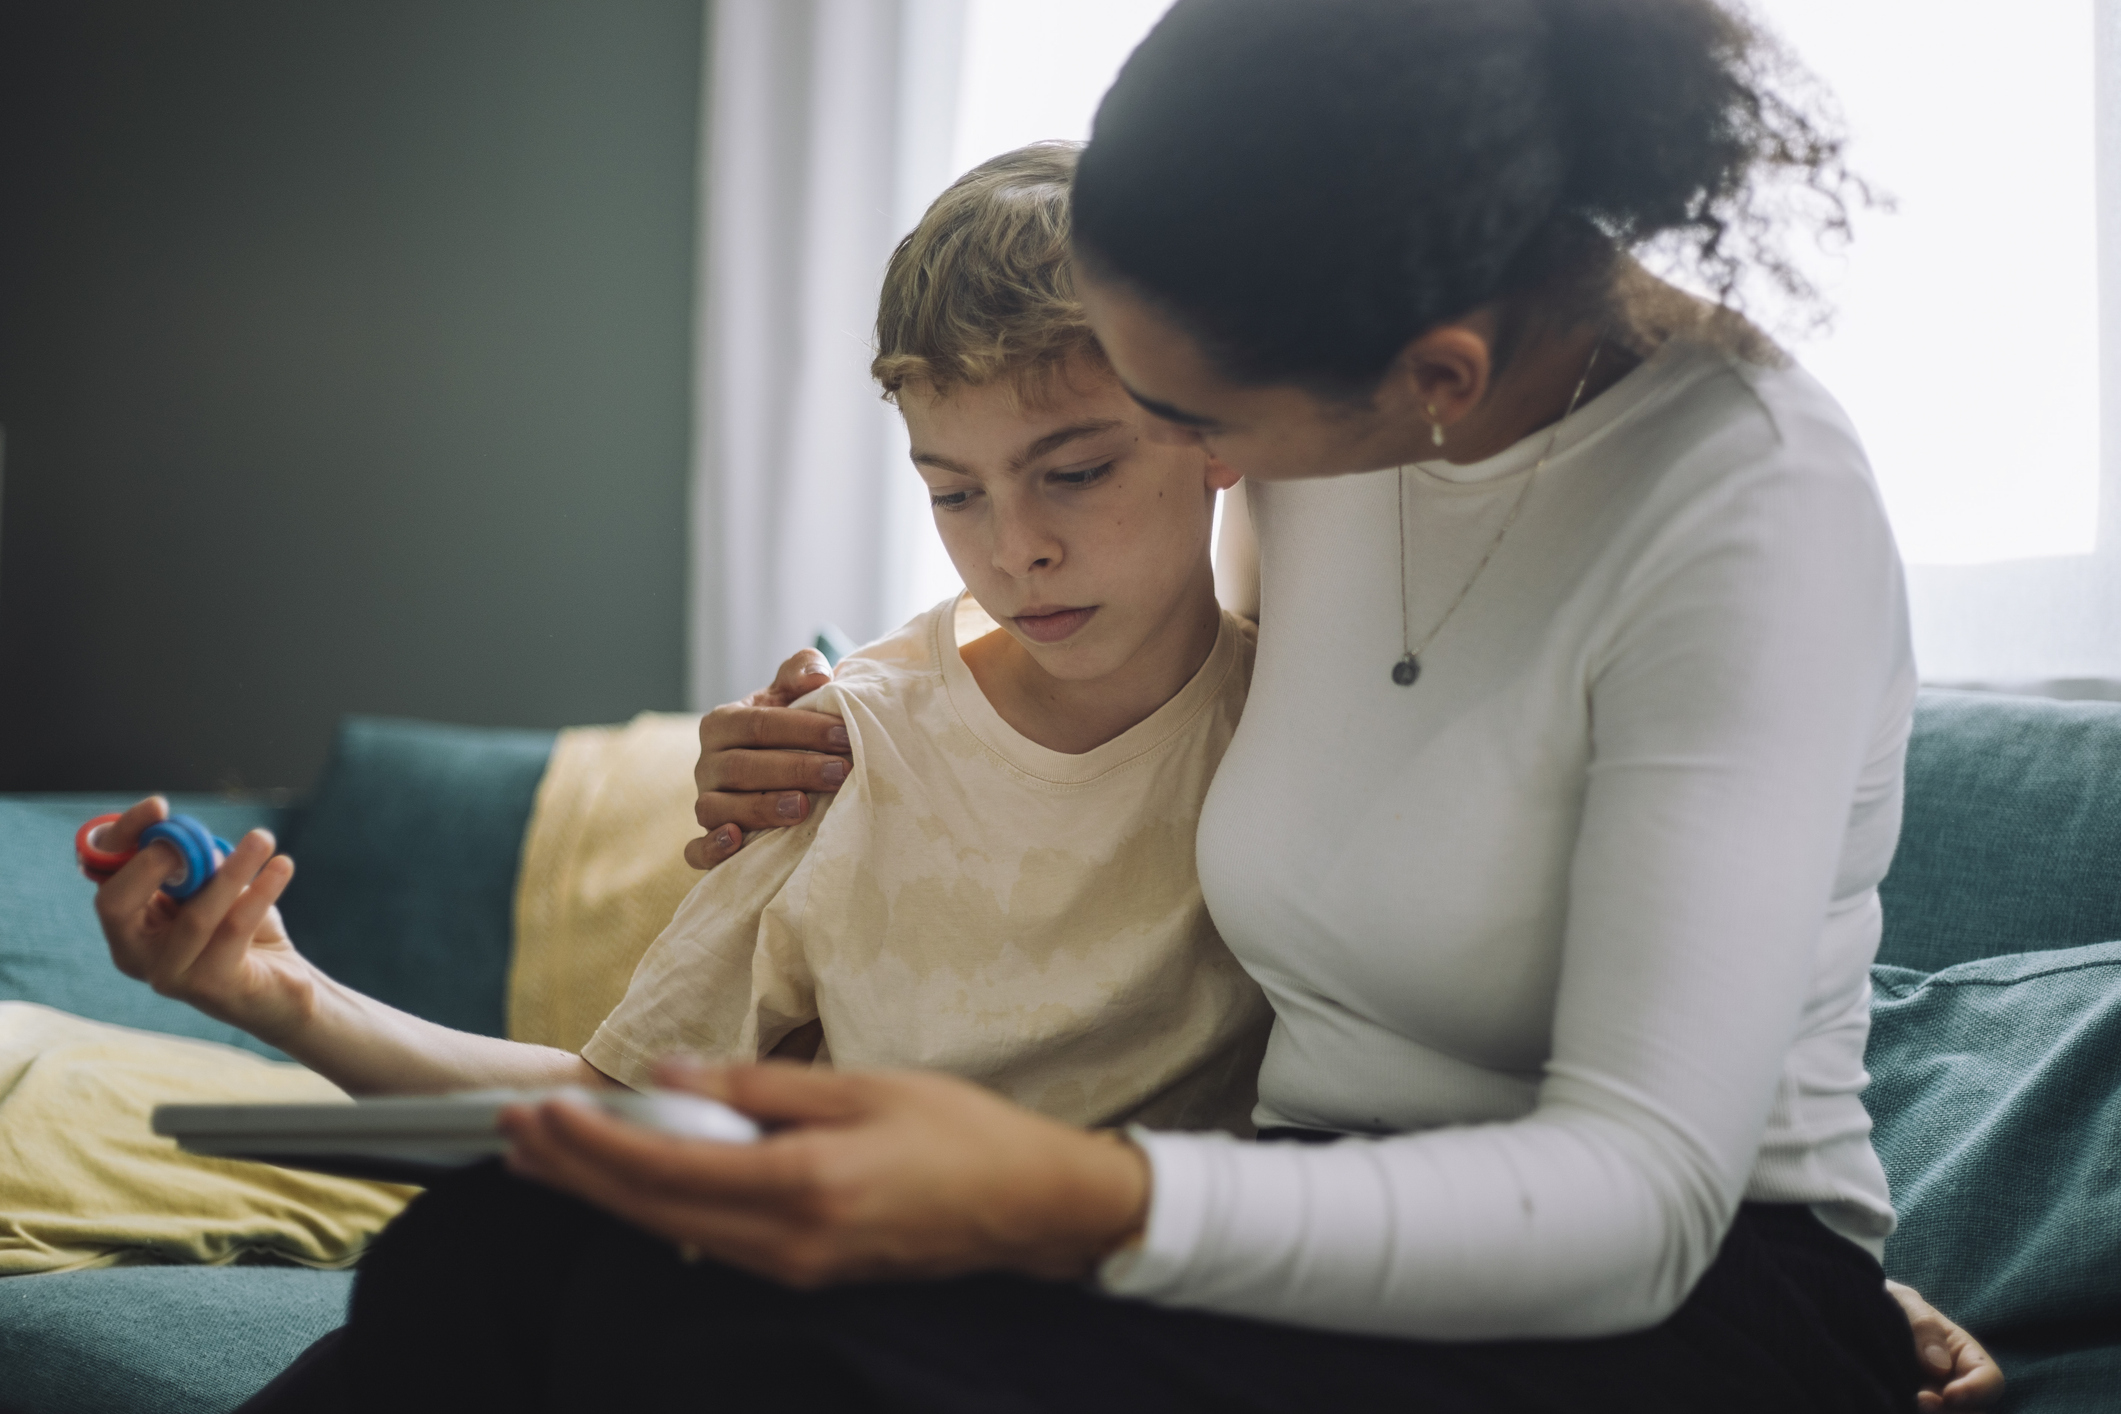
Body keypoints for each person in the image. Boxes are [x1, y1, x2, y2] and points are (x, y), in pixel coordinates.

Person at [241, 2, 2006, 1410]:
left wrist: (1057, 1195)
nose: (1183, 463)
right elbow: (1082, 654)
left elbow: (1646, 1190)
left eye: (1183, 427)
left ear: (1434, 379)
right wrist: (830, 719)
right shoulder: (1343, 370)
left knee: (750, 1361)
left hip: (1670, 1295)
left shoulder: (1743, 511)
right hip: (1281, 1214)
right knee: (503, 1256)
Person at [90, 144, 1268, 1134]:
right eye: (954, 493)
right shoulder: (846, 748)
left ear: (1219, 429)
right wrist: (274, 990)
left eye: (1075, 471)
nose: (1015, 550)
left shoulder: (1303, 724)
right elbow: (615, 1106)